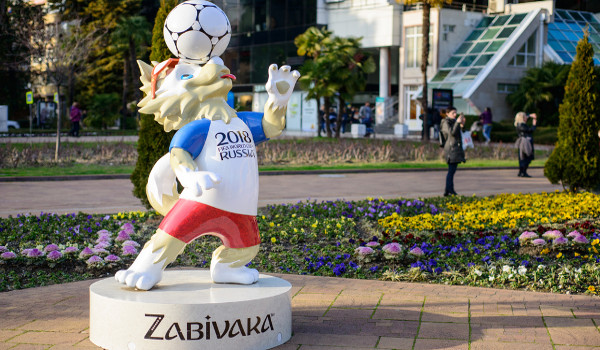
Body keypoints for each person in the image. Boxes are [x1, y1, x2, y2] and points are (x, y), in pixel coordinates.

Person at [440, 106, 466, 196]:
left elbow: (459, 132)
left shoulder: (453, 122)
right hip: (451, 149)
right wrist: (457, 123)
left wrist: (461, 125)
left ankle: (447, 191)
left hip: (455, 148)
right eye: (453, 113)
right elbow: (452, 133)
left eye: (455, 113)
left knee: (452, 170)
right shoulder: (445, 122)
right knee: (451, 170)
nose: (455, 115)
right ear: (447, 114)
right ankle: (450, 190)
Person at [514, 112, 537, 178]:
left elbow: (525, 116)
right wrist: (534, 124)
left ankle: (521, 172)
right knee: (526, 157)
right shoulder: (521, 125)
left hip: (524, 142)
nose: (526, 118)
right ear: (522, 118)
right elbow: (531, 130)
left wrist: (530, 115)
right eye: (525, 117)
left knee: (522, 157)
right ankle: (523, 172)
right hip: (525, 142)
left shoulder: (519, 124)